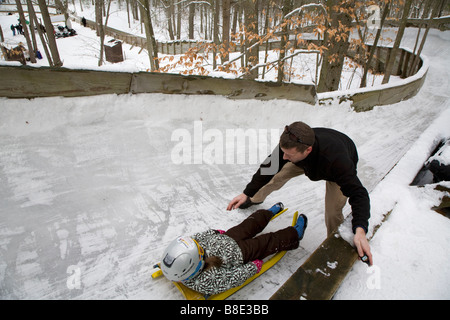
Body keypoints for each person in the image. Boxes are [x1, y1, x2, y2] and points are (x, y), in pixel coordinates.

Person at [227, 121, 373, 266]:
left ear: (307, 150)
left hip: (332, 171)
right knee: (276, 176)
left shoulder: (338, 162)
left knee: (333, 211)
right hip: (303, 160)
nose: (283, 157)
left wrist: (360, 230)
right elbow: (268, 168)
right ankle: (254, 198)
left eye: (288, 154)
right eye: (283, 152)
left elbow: (359, 194)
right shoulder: (291, 142)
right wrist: (246, 193)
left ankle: (335, 244)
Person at [160, 203, 307, 296]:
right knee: (268, 241)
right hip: (241, 253)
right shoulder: (205, 281)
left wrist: (214, 232)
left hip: (228, 237)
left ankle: (267, 213)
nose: (199, 246)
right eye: (200, 251)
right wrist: (251, 268)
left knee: (250, 223)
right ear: (195, 266)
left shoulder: (190, 251)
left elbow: (196, 237)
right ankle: (294, 234)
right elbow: (232, 278)